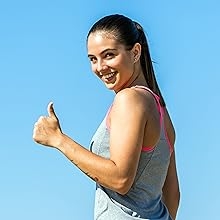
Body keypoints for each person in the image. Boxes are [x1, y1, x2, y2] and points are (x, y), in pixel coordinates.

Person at [33, 14, 180, 220]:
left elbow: (121, 178)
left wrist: (59, 139)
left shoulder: (129, 99)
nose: (100, 67)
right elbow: (173, 194)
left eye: (109, 55)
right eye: (93, 59)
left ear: (135, 52)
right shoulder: (162, 112)